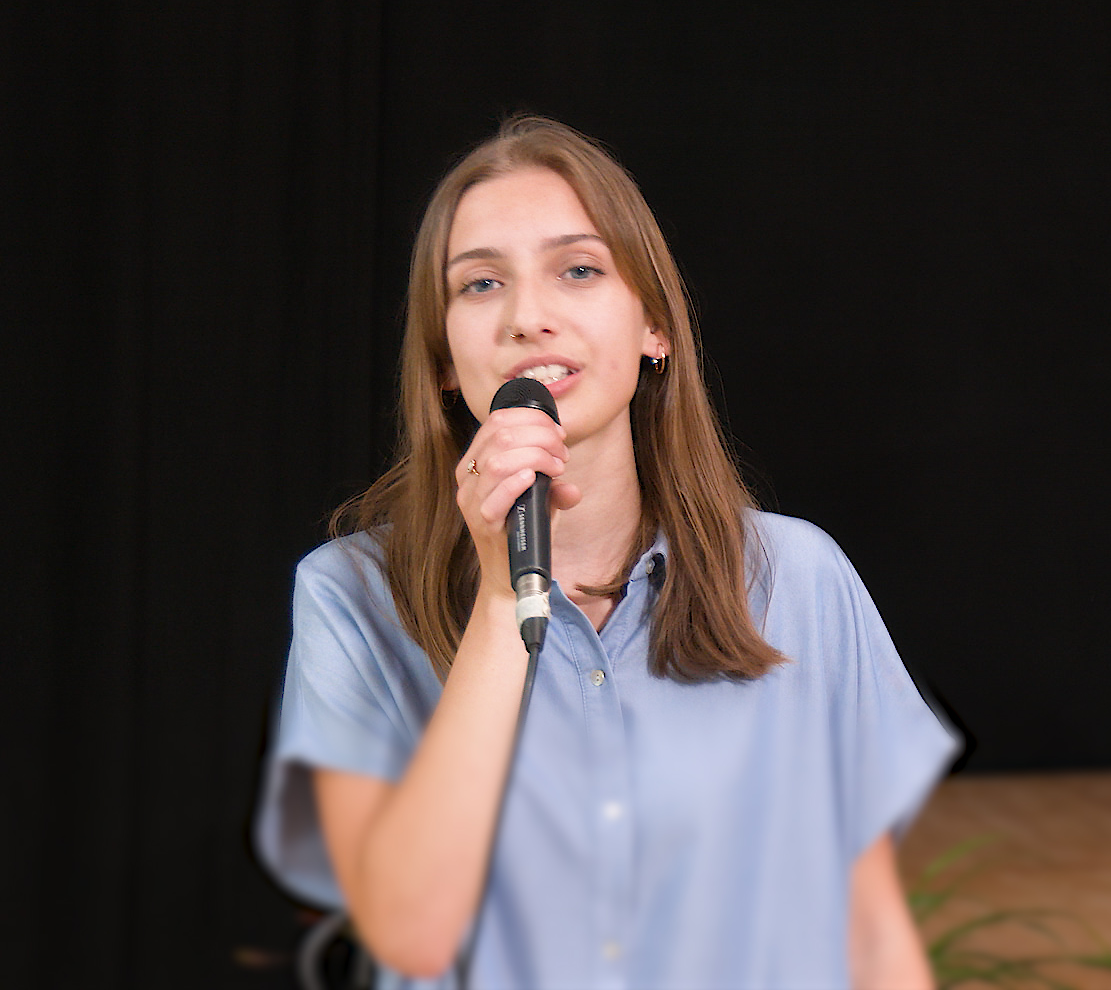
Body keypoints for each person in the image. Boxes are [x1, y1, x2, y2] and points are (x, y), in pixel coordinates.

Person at [255, 116, 955, 988]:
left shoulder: (796, 580)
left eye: (578, 270)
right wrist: (508, 601)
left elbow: (869, 934)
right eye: (479, 285)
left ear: (653, 325)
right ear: (442, 357)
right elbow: (409, 930)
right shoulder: (347, 596)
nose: (528, 318)